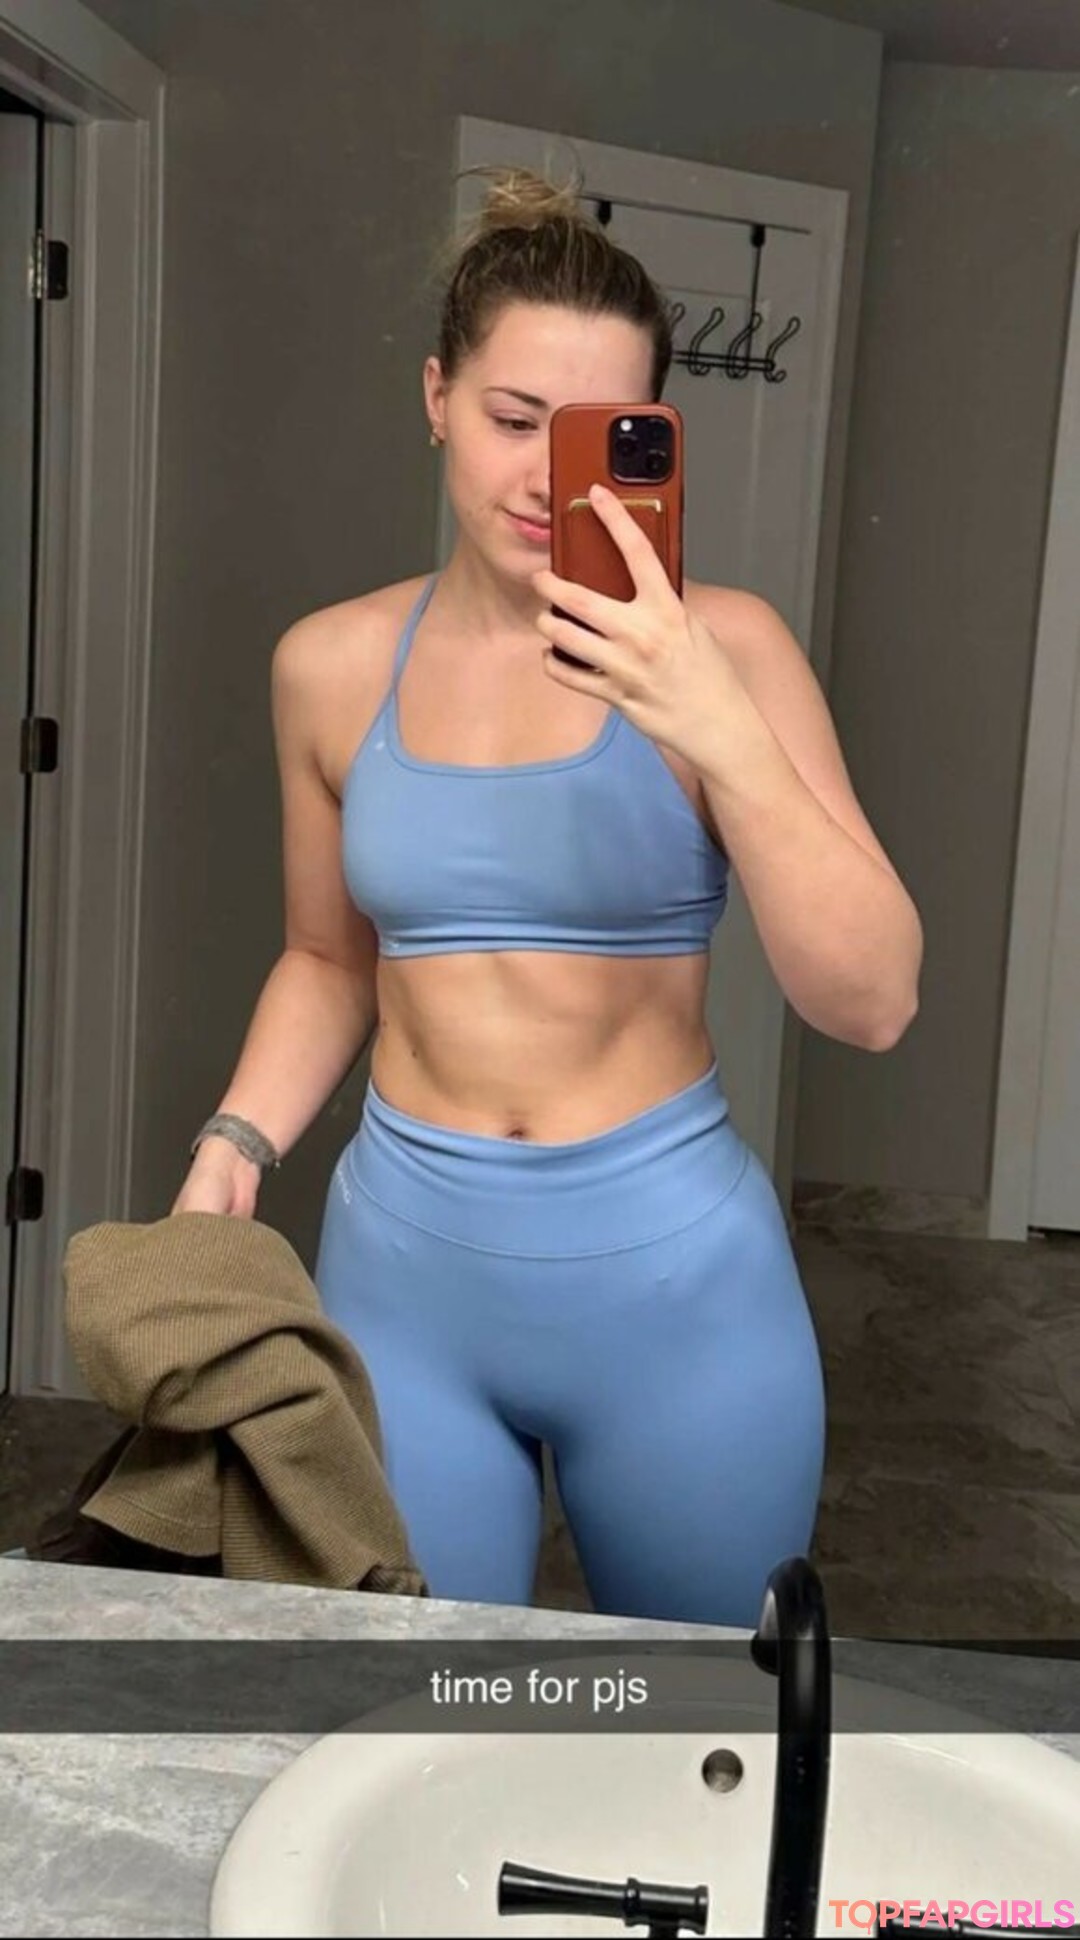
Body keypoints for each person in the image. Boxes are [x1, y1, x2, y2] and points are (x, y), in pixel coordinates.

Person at [173, 168, 922, 1626]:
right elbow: (327, 960)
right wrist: (234, 1140)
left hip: (678, 1296)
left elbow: (873, 1001)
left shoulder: (730, 651)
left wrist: (712, 721)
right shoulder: (328, 666)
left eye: (593, 437)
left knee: (692, 1723)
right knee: (424, 1712)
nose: (543, 480)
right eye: (515, 420)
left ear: (651, 439)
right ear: (437, 398)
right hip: (405, 1285)